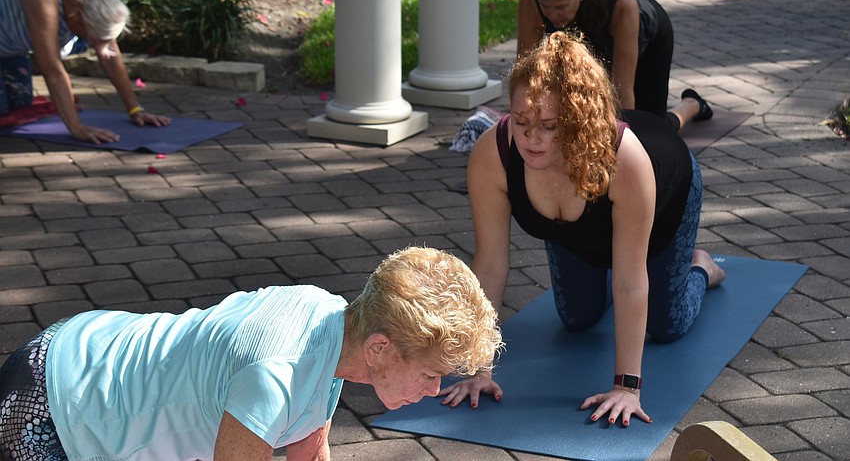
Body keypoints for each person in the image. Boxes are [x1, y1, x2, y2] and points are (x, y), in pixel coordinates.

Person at [439, 32, 725, 427]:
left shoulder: (622, 160)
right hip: (577, 230)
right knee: (578, 319)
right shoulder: (495, 153)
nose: (531, 138)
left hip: (664, 201)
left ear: (576, 122)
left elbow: (629, 281)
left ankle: (703, 267)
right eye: (521, 121)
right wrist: (478, 369)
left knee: (666, 325)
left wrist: (627, 387)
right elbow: (488, 266)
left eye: (549, 126)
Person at [0, 246, 503, 461]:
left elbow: (308, 450)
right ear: (381, 349)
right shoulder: (276, 374)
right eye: (431, 374)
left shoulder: (336, 326)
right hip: (52, 401)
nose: (435, 390)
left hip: (85, 352)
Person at [516, 0, 713, 132]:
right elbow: (524, 76)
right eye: (546, 7)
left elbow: (622, 94)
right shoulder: (531, 1)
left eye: (560, 7)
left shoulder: (621, 6)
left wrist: (621, 147)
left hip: (648, 36)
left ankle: (691, 105)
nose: (552, 15)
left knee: (652, 131)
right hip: (595, 40)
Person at [0, 0, 171, 143]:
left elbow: (110, 55)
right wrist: (76, 127)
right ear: (77, 18)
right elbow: (52, 69)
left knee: (19, 104)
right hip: (6, 37)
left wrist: (135, 109)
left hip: (9, 42)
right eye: (92, 38)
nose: (94, 45)